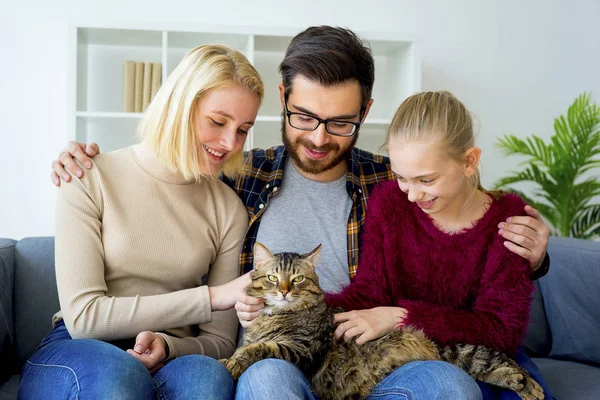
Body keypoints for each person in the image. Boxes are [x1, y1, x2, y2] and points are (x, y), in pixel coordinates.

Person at [50, 26, 551, 400]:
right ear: (285, 98)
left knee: (446, 385)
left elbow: (460, 203)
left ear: (366, 111)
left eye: (339, 123)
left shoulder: (393, 182)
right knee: (267, 382)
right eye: (305, 116)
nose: (317, 137)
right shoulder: (239, 174)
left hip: (367, 352)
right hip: (276, 354)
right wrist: (85, 161)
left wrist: (533, 252)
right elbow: (168, 169)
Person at [19, 44, 264, 399]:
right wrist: (212, 297)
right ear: (180, 106)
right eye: (217, 121)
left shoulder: (227, 208)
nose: (229, 142)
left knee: (208, 381)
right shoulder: (88, 176)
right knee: (118, 377)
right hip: (80, 345)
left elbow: (220, 341)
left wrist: (168, 345)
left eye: (243, 129)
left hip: (174, 352)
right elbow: (84, 317)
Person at [326, 90, 553, 399]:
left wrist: (400, 317)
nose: (412, 195)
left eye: (426, 180)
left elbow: (500, 331)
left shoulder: (508, 222)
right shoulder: (390, 202)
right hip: (414, 360)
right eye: (402, 177)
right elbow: (370, 294)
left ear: (469, 162)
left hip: (486, 361)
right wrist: (300, 311)